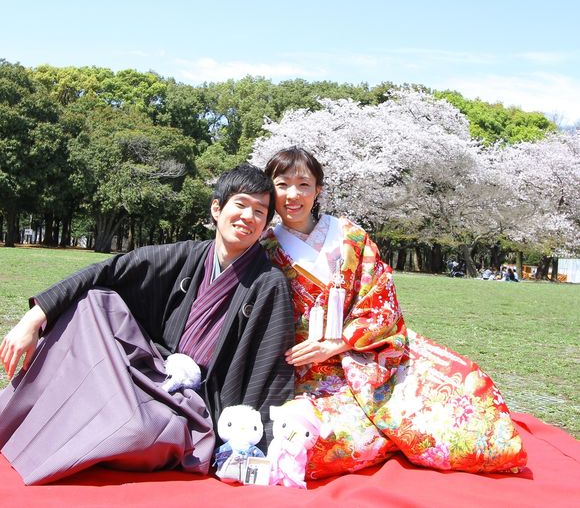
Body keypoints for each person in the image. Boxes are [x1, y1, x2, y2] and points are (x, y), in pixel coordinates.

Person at [0, 163, 295, 485]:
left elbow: (271, 366)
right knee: (94, 301)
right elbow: (109, 270)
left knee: (137, 431)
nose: (248, 217)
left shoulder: (269, 283)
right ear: (216, 208)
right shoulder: (186, 256)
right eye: (240, 204)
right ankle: (30, 413)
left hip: (197, 404)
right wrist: (33, 319)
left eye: (259, 211)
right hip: (156, 372)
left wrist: (260, 445)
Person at [261, 147, 527, 480]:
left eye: (304, 184)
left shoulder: (350, 235)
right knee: (308, 445)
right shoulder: (265, 247)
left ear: (319, 190)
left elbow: (380, 297)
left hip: (367, 353)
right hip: (308, 369)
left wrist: (340, 343)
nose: (293, 195)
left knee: (463, 392)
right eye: (282, 185)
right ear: (270, 189)